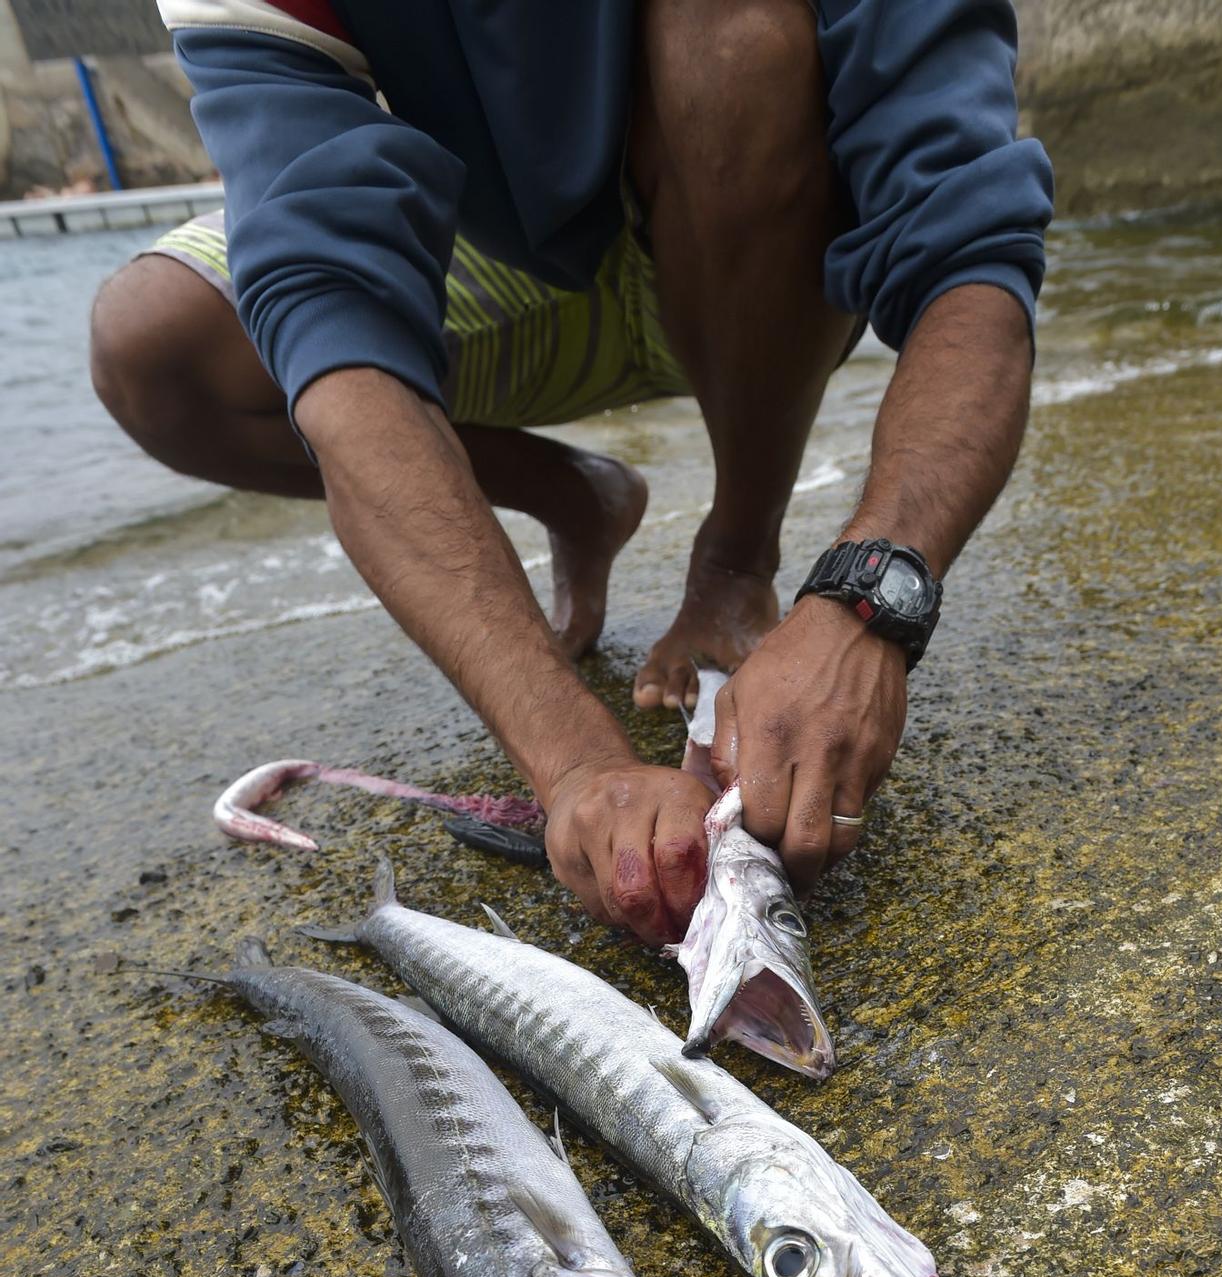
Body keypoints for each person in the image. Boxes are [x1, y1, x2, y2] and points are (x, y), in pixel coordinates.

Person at [91, 0, 1052, 944]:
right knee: (152, 347)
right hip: (495, 259)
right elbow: (330, 324)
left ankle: (734, 557)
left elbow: (969, 245)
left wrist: (867, 599)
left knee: (732, 34)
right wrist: (574, 764)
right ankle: (571, 495)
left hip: (762, 241)